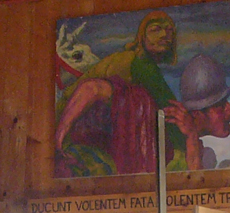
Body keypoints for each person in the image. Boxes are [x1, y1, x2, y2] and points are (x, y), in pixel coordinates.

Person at [53, 11, 188, 175]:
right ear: (142, 37)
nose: (165, 35)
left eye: (170, 30)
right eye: (156, 29)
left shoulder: (145, 68)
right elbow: (91, 88)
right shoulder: (133, 63)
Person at [166, 53, 230, 170]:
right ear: (197, 113)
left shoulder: (206, 152)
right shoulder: (174, 152)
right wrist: (192, 139)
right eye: (220, 105)